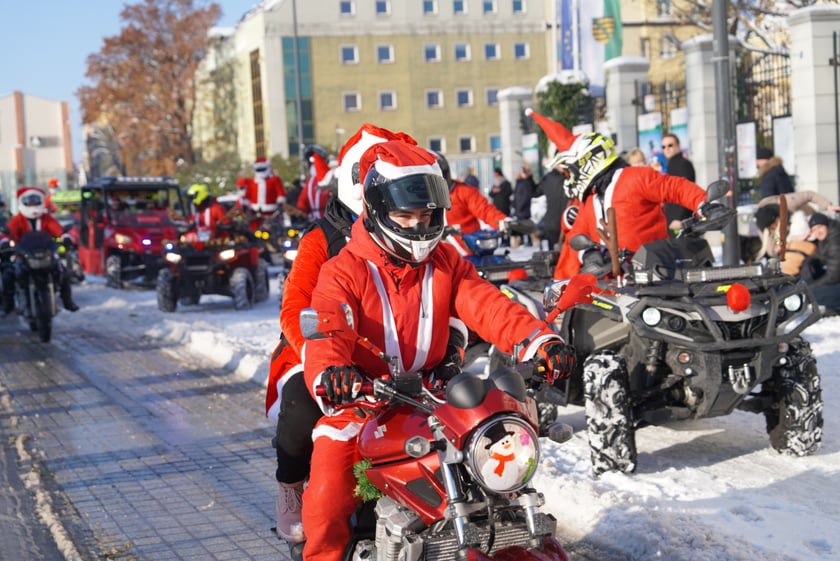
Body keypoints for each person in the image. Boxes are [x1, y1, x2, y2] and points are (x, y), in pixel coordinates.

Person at [300, 140, 575, 561]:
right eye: (404, 215)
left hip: (433, 393)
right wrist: (334, 371)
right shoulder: (344, 270)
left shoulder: (447, 262)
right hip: (368, 398)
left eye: (425, 216)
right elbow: (328, 329)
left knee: (497, 445)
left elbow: (489, 305)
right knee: (330, 475)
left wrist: (540, 341)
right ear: (375, 211)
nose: (416, 226)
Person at [266, 123, 419, 544]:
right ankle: (290, 484)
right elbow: (296, 307)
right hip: (318, 350)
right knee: (299, 405)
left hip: (392, 355)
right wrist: (322, 359)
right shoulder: (320, 238)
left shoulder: (415, 231)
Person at [523, 112, 710, 280]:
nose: (571, 177)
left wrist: (705, 204)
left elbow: (675, 187)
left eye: (573, 170)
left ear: (589, 161)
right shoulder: (591, 199)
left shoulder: (635, 176)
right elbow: (578, 232)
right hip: (612, 284)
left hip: (655, 274)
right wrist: (588, 254)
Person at [4, 187, 79, 313]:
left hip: (46, 255)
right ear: (22, 202)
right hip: (24, 257)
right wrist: (5, 242)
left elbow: (58, 230)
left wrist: (65, 237)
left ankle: (67, 301)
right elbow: (7, 234)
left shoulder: (47, 218)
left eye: (36, 202)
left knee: (63, 272)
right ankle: (9, 305)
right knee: (8, 274)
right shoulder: (17, 220)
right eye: (29, 202)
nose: (32, 206)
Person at [438, 153, 510, 256]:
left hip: (468, 249)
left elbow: (485, 210)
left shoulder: (462, 191)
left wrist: (504, 222)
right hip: (434, 253)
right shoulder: (416, 199)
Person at [801, 212, 840, 315]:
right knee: (807, 280)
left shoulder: (836, 239)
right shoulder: (828, 237)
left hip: (836, 277)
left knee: (812, 294)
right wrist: (808, 263)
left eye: (819, 227)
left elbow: (834, 274)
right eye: (814, 229)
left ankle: (834, 305)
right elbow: (819, 256)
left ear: (826, 225)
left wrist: (812, 286)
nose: (817, 232)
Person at [660, 133, 696, 236]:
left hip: (680, 221)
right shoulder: (672, 164)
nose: (667, 149)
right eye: (663, 147)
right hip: (672, 219)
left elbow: (686, 191)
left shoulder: (683, 164)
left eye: (670, 145)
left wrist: (679, 218)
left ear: (678, 146)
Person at [242, 157, 286, 228]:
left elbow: (280, 193)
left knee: (276, 231)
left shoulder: (274, 179)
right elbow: (247, 195)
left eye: (262, 169)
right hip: (255, 213)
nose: (261, 172)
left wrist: (280, 203)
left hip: (272, 213)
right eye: (258, 170)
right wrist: (245, 205)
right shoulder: (252, 181)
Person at [297, 145, 332, 221]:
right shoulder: (310, 181)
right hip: (313, 219)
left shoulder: (329, 177)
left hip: (329, 218)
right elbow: (303, 199)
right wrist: (300, 209)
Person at [512, 165, 537, 247]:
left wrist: (520, 206)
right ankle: (524, 241)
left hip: (523, 209)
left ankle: (531, 241)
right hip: (519, 209)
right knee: (521, 225)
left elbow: (526, 196)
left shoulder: (524, 183)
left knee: (526, 225)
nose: (514, 175)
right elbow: (516, 196)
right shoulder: (518, 183)